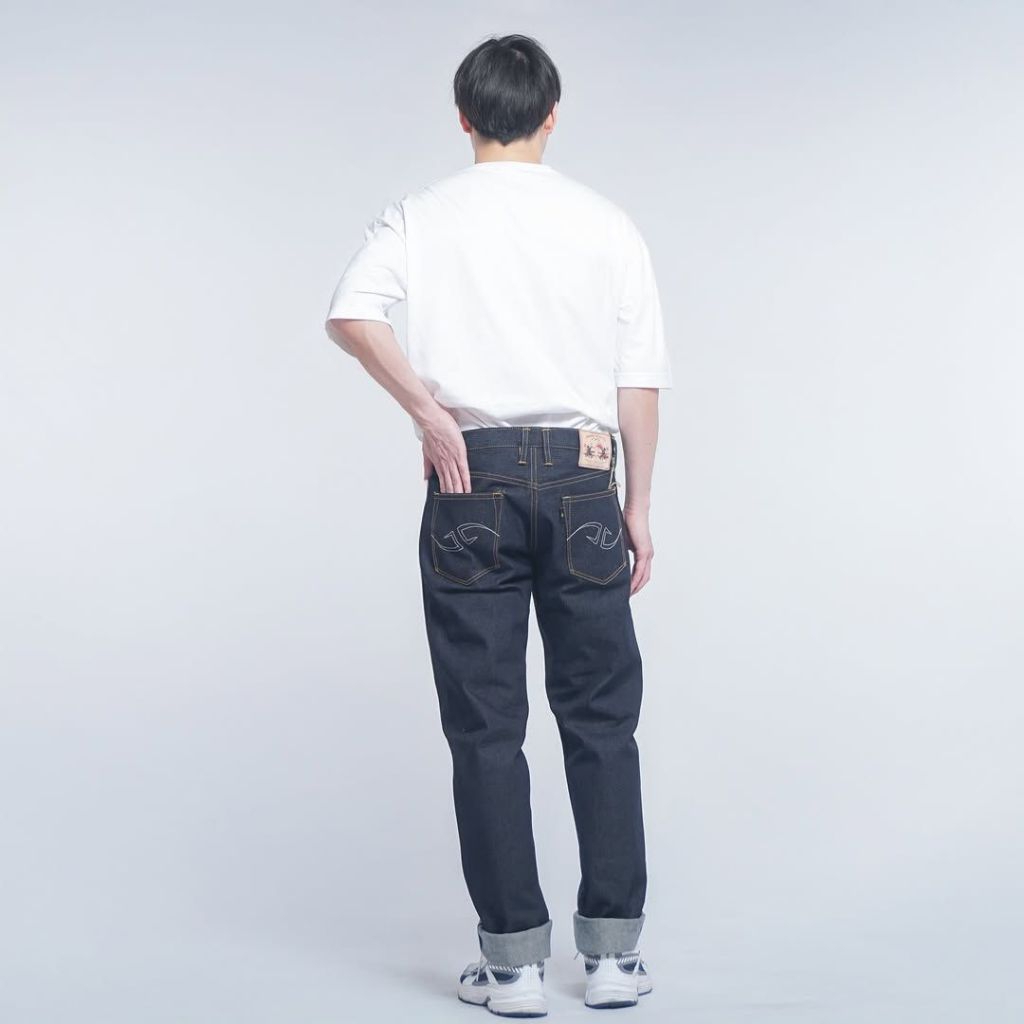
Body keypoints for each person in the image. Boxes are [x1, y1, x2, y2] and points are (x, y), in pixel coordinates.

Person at [323, 33, 671, 1017]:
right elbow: (638, 381)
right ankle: (612, 957)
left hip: (468, 477)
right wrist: (638, 505)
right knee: (600, 719)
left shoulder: (421, 214)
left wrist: (429, 414)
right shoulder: (606, 224)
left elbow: (350, 314)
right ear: (552, 117)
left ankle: (513, 967)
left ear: (464, 117)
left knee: (485, 727)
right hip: (584, 476)